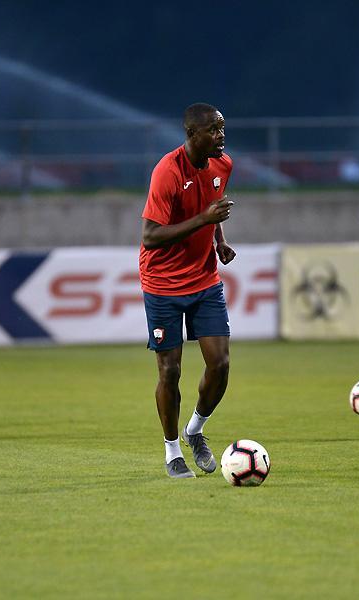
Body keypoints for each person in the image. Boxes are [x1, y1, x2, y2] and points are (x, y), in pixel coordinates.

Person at [139, 103, 236, 478]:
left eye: (222, 128)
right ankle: (172, 452)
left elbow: (211, 206)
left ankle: (194, 430)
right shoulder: (167, 171)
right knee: (170, 371)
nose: (220, 136)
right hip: (163, 283)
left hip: (204, 279)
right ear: (192, 134)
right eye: (213, 130)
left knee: (220, 364)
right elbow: (150, 236)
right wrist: (203, 221)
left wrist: (218, 239)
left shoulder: (222, 165)